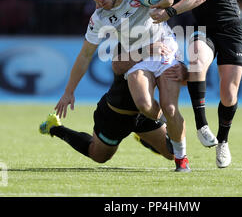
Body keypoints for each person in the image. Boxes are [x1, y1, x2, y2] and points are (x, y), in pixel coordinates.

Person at [54, 0, 191, 172]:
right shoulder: (99, 18)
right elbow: (84, 56)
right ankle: (164, 124)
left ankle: (182, 161)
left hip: (164, 46)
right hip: (138, 57)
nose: (99, 0)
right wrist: (69, 92)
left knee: (170, 106)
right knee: (145, 105)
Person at [150, 0, 242, 168]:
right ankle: (202, 126)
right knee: (195, 61)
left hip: (231, 30)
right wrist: (152, 8)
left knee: (229, 94)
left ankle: (223, 142)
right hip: (204, 30)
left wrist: (170, 11)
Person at [40, 46, 188, 166]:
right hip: (116, 116)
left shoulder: (163, 39)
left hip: (145, 114)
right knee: (99, 156)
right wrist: (69, 92)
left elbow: (180, 74)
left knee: (172, 153)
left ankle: (142, 136)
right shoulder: (125, 39)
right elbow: (117, 66)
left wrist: (183, 69)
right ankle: (55, 128)